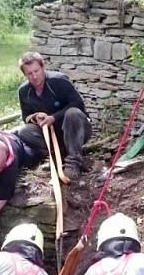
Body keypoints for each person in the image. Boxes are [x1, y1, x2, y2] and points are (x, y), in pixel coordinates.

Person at [15, 51, 92, 181]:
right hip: (51, 135)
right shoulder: (24, 91)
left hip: (76, 129)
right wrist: (35, 117)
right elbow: (26, 117)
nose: (34, 76)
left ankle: (73, 163)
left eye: (37, 71)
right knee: (24, 131)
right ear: (25, 74)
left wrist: (54, 117)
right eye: (29, 73)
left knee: (73, 113)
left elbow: (78, 104)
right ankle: (58, 156)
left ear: (43, 67)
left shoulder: (59, 81)